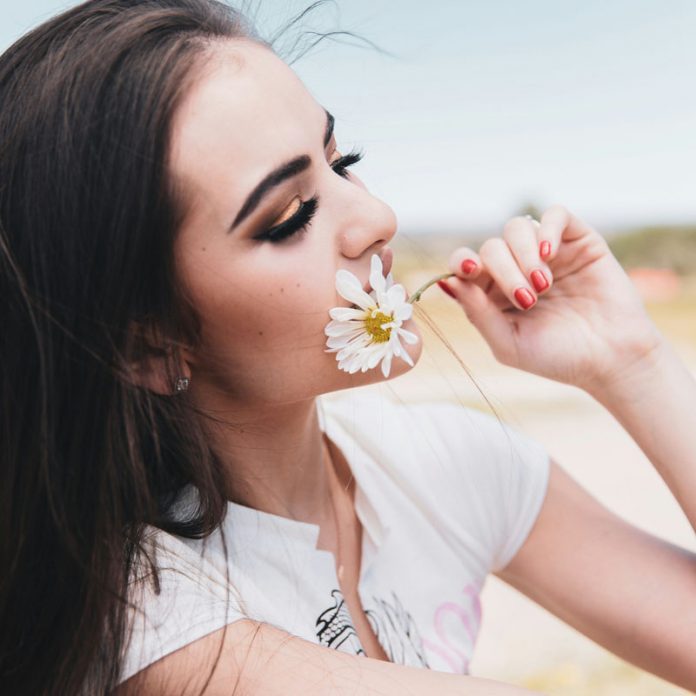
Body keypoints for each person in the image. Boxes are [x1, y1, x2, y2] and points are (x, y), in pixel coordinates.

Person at [0, 1, 694, 694]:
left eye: (344, 162)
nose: (377, 218)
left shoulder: (443, 465)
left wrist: (631, 361)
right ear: (149, 347)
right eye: (290, 216)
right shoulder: (143, 611)